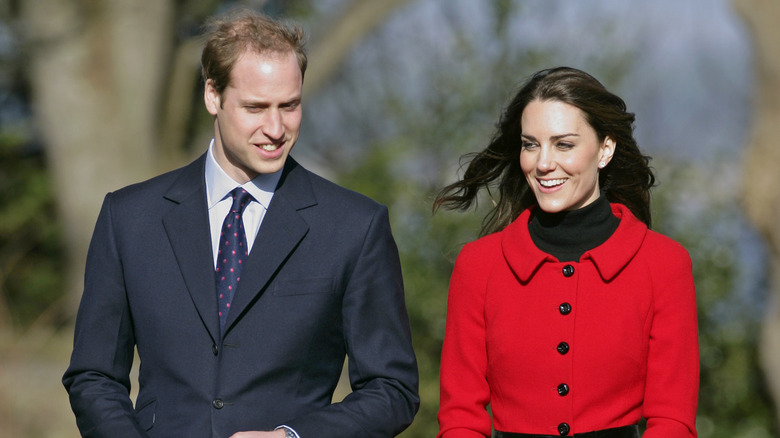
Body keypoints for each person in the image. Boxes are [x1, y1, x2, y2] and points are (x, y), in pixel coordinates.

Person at [62, 9, 418, 438]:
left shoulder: (354, 227)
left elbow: (392, 389)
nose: (275, 127)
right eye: (255, 107)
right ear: (213, 95)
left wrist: (292, 437)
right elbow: (94, 375)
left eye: (289, 106)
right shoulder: (130, 218)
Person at [433, 67, 698, 438]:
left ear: (605, 149)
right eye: (530, 144)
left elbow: (673, 419)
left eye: (564, 144)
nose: (542, 163)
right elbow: (460, 417)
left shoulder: (663, 264)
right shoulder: (479, 266)